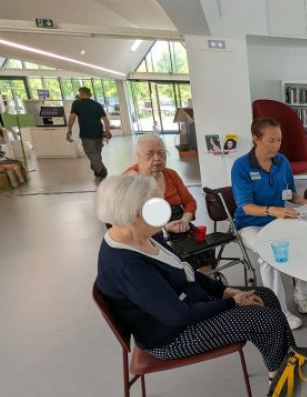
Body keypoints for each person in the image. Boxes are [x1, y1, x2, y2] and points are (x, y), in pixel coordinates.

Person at [94, 174, 295, 380]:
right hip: (173, 335)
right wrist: (232, 302)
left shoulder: (142, 233)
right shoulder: (126, 265)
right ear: (135, 214)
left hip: (190, 304)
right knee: (270, 321)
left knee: (266, 296)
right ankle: (282, 383)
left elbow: (185, 269)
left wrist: (223, 290)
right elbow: (179, 315)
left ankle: (285, 364)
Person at [231, 118, 307, 329]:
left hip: (278, 221)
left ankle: (302, 293)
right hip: (250, 225)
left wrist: (303, 201)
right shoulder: (241, 166)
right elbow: (245, 207)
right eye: (270, 140)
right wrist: (272, 210)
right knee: (266, 255)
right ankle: (279, 310)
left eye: (279, 140)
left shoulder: (282, 162)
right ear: (256, 139)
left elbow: (290, 193)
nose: (276, 146)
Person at [124, 133, 214, 270]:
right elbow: (130, 220)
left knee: (202, 250)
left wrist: (185, 220)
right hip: (148, 232)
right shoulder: (129, 179)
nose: (157, 158)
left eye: (161, 153)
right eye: (150, 154)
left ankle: (204, 287)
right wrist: (164, 227)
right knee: (170, 259)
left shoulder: (171, 174)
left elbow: (190, 203)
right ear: (138, 156)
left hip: (180, 225)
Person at [67, 87, 111, 179]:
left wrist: (69, 129)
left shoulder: (76, 103)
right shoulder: (97, 105)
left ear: (81, 94)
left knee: (91, 153)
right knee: (97, 153)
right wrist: (107, 131)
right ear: (90, 94)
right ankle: (96, 170)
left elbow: (72, 117)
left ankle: (101, 170)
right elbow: (105, 120)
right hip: (98, 133)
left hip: (86, 133)